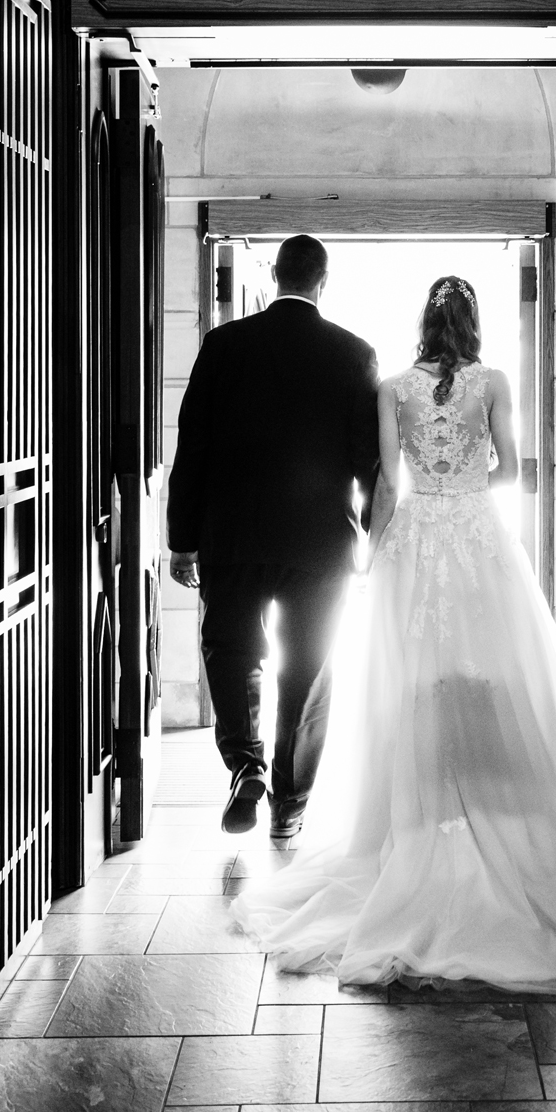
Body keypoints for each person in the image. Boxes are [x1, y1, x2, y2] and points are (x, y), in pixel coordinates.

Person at [230, 274, 556, 998]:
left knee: (410, 681)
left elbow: (387, 484)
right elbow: (514, 470)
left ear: (425, 325)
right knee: (496, 671)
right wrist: (467, 475)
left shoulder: (393, 385)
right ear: (473, 323)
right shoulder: (491, 382)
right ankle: (498, 811)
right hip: (477, 536)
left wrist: (377, 549)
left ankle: (418, 821)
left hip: (413, 539)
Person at [167, 235, 381, 844]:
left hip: (231, 536)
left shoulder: (223, 345)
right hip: (320, 547)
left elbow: (194, 444)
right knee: (310, 670)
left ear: (273, 278)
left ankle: (246, 765)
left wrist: (183, 539)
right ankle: (290, 803)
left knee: (230, 650)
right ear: (322, 281)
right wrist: (372, 541)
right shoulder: (353, 354)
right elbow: (368, 462)